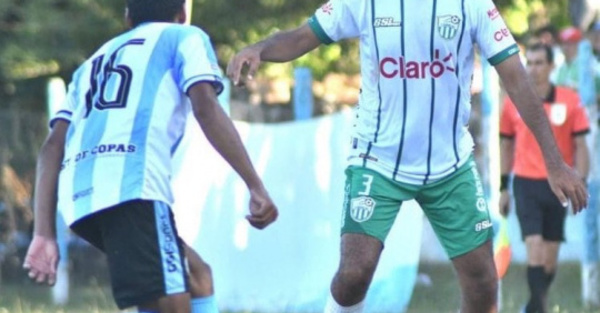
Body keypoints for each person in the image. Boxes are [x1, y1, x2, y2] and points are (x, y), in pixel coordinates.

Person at [227, 0, 588, 312]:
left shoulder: (473, 5)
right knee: (355, 272)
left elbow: (516, 77)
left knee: (482, 283)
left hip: (450, 167)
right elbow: (302, 35)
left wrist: (554, 162)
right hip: (377, 160)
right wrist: (260, 48)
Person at [22, 0, 279, 312]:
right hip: (132, 189)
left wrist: (43, 233)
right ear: (183, 13)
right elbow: (206, 108)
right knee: (171, 299)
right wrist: (255, 184)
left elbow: (51, 147)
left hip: (80, 200)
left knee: (197, 276)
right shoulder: (184, 37)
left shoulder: (91, 63)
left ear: (128, 17)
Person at [499, 43, 590, 313]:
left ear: (552, 66)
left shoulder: (570, 100)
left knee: (549, 261)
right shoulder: (513, 102)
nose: (534, 68)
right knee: (534, 248)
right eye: (530, 62)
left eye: (540, 62)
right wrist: (504, 187)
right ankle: (539, 309)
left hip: (558, 188)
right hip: (526, 184)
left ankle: (533, 305)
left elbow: (581, 146)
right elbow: (505, 146)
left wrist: (581, 183)